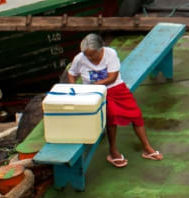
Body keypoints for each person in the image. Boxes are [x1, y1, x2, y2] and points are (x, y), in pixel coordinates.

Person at [69, 34, 162, 168]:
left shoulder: (110, 54)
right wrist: (74, 87)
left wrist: (92, 86)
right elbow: (72, 73)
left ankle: (147, 148)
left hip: (115, 88)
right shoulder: (79, 58)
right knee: (112, 115)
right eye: (86, 55)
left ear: (101, 49)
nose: (89, 58)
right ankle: (113, 151)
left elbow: (112, 78)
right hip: (93, 94)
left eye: (92, 55)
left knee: (136, 114)